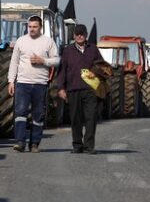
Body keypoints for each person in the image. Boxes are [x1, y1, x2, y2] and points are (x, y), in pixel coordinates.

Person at [8, 15, 60, 153]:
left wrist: (43, 61)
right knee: (20, 112)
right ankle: (20, 142)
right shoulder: (21, 41)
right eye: (30, 26)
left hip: (40, 84)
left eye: (35, 27)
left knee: (38, 114)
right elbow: (14, 62)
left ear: (40, 27)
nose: (32, 29)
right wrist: (11, 81)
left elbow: (56, 60)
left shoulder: (48, 42)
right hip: (22, 83)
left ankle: (35, 143)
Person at [56, 24, 104, 154]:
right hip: (73, 89)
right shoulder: (67, 51)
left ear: (86, 35)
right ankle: (77, 145)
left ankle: (89, 146)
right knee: (75, 118)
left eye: (82, 34)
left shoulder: (93, 49)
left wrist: (96, 72)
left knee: (91, 118)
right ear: (73, 36)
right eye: (77, 34)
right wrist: (60, 88)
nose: (79, 36)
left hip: (91, 90)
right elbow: (62, 71)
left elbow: (101, 66)